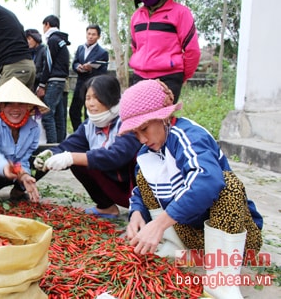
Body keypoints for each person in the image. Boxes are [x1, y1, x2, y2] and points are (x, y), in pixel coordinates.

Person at [118, 79, 263, 299]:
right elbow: (140, 189)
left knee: (228, 186)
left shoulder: (187, 136)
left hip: (237, 242)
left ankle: (222, 280)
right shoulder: (148, 152)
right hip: (195, 236)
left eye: (145, 129)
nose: (143, 139)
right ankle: (178, 248)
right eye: (136, 134)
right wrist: (136, 213)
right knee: (143, 176)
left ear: (164, 115)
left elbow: (207, 181)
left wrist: (159, 223)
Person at [34, 75, 140, 218]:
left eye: (97, 97)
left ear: (112, 97)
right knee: (78, 160)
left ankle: (144, 210)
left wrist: (72, 157)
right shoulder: (89, 125)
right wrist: (50, 154)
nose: (91, 103)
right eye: (88, 98)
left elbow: (116, 156)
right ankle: (106, 207)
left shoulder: (128, 122)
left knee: (78, 157)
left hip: (135, 189)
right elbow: (69, 146)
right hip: (112, 183)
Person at [122, 0, 200, 102]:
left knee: (158, 121)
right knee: (136, 120)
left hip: (168, 77)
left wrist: (181, 76)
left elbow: (192, 51)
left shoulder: (180, 13)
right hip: (139, 77)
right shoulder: (136, 16)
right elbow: (136, 48)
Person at [0, 77, 49, 203]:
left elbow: (24, 159)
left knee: (45, 158)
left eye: (21, 104)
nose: (15, 109)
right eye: (9, 103)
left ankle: (19, 190)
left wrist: (25, 176)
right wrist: (6, 167)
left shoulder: (33, 127)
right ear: (0, 106)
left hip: (14, 169)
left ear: (28, 106)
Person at [37, 14, 70, 143]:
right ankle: (61, 144)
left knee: (47, 114)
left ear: (47, 25)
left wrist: (42, 84)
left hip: (53, 81)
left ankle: (51, 147)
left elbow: (49, 63)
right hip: (62, 81)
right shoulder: (61, 40)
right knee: (59, 116)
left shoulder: (52, 40)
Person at [70, 24, 109, 131]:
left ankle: (90, 133)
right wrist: (77, 66)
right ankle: (78, 132)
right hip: (80, 84)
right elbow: (74, 63)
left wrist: (91, 68)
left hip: (92, 85)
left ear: (98, 37)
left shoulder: (103, 52)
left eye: (93, 34)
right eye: (89, 34)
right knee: (74, 110)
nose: (90, 36)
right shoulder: (80, 48)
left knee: (90, 112)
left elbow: (103, 70)